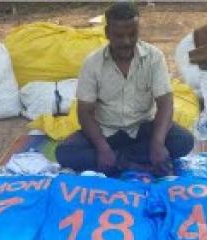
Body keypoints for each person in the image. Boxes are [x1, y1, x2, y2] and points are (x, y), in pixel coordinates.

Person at [56, 2, 192, 175]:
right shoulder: (92, 63)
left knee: (184, 141)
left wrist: (157, 143)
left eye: (132, 34)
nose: (126, 42)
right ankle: (131, 162)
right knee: (65, 152)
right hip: (106, 132)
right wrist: (103, 148)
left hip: (144, 130)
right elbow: (84, 113)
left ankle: (119, 162)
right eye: (119, 36)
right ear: (107, 34)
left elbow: (165, 104)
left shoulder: (154, 57)